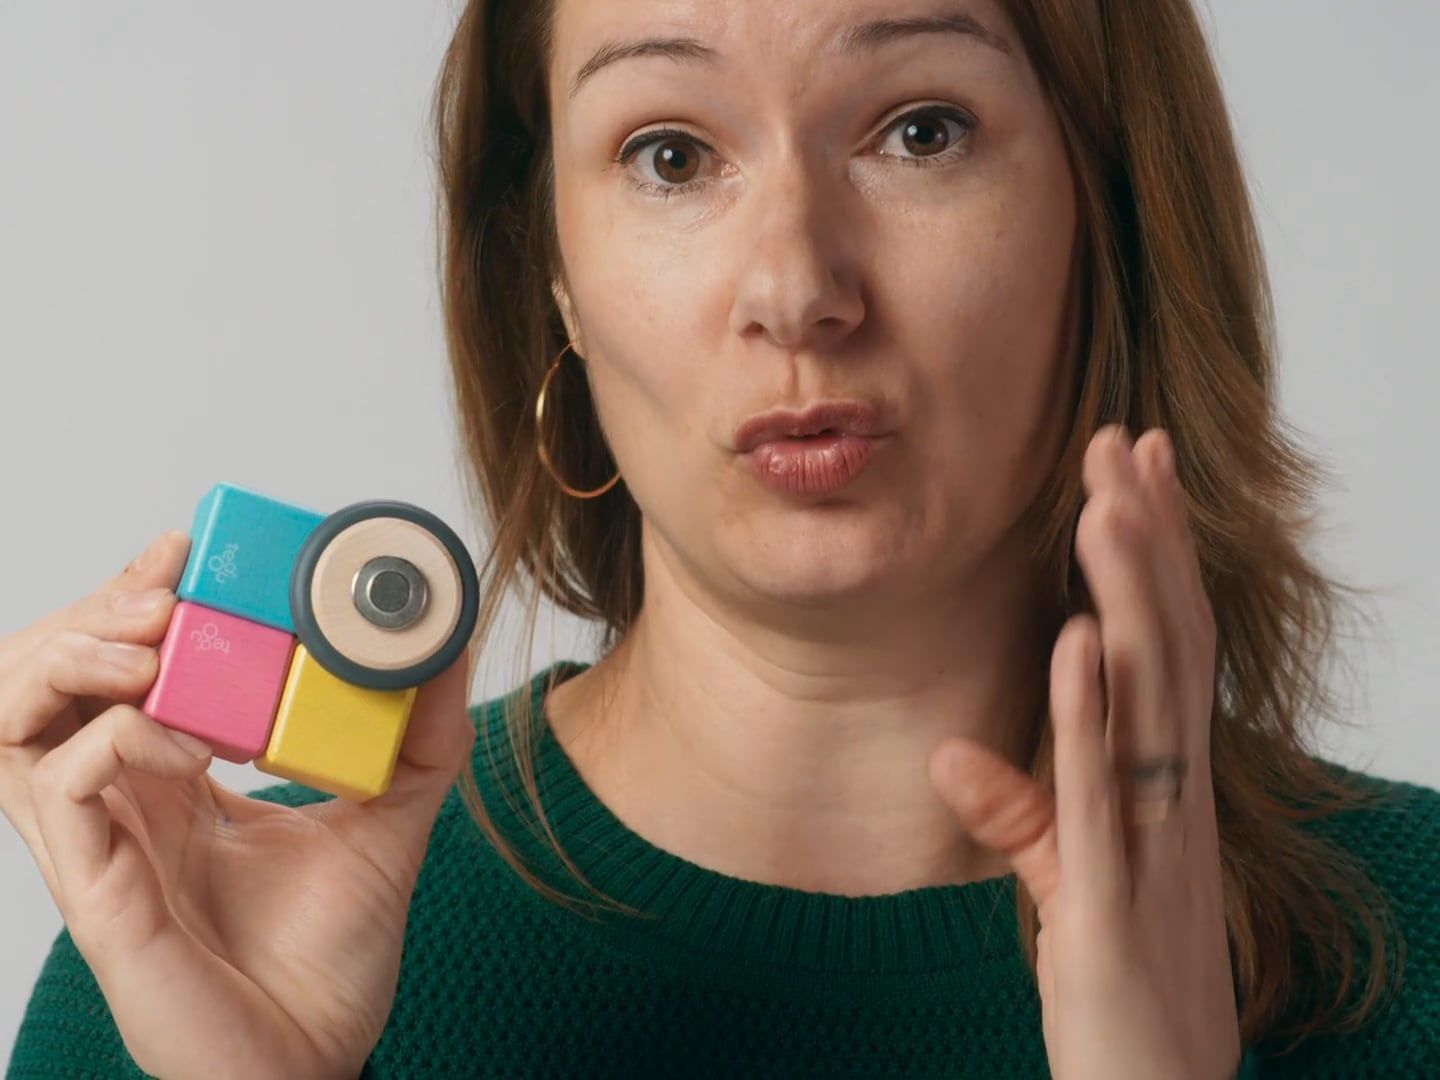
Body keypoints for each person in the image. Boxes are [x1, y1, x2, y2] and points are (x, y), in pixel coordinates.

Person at [5, 0, 1437, 1076]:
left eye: (920, 131)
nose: (796, 285)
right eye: (672, 154)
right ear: (554, 276)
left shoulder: (1413, 942)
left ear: (1105, 210)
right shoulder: (195, 959)